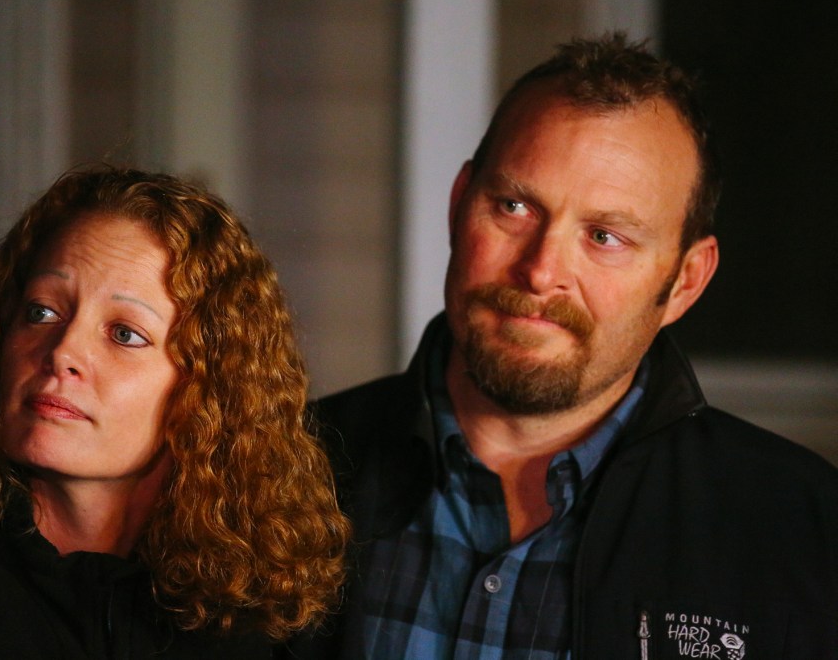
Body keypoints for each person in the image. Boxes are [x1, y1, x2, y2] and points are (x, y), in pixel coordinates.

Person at [289, 33, 838, 659]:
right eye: (515, 206)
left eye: (605, 236)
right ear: (458, 204)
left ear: (685, 281)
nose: (541, 270)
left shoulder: (802, 533)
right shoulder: (280, 476)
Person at [0, 166, 350, 658]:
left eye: (124, 334)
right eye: (42, 311)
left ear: (210, 390)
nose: (63, 352)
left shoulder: (258, 621)